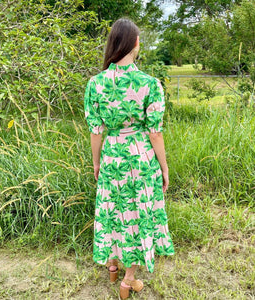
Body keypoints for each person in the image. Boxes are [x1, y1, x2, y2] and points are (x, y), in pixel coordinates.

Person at [84, 18, 175, 299]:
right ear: (136, 43)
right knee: (136, 214)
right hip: (140, 159)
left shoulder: (96, 84)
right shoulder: (149, 84)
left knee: (112, 209)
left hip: (111, 155)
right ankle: (128, 280)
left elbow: (96, 132)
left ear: (113, 44)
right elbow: (155, 133)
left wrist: (97, 163)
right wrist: (164, 167)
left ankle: (112, 266)